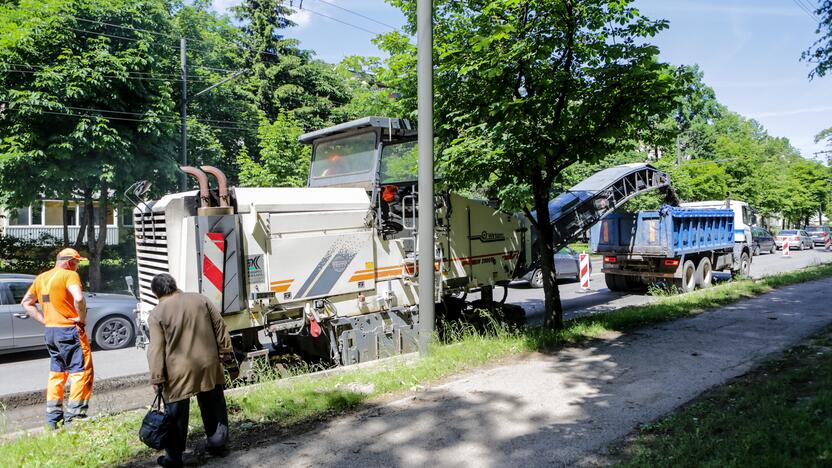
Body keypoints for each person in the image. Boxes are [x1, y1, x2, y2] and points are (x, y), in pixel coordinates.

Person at [146, 273, 233, 468]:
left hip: (178, 371)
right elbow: (220, 325)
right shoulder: (200, 299)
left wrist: (157, 377)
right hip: (208, 363)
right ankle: (218, 445)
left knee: (176, 415)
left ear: (156, 293)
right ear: (175, 285)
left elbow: (156, 349)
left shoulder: (157, 313)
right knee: (214, 405)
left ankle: (174, 458)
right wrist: (225, 350)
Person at [20, 248, 92, 429]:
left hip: (51, 332)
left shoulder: (41, 278)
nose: (77, 267)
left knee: (57, 374)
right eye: (76, 263)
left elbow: (26, 303)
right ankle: (75, 419)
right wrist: (81, 318)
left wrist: (44, 320)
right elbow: (79, 298)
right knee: (81, 372)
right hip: (69, 330)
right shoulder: (69, 275)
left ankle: (53, 420)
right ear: (69, 263)